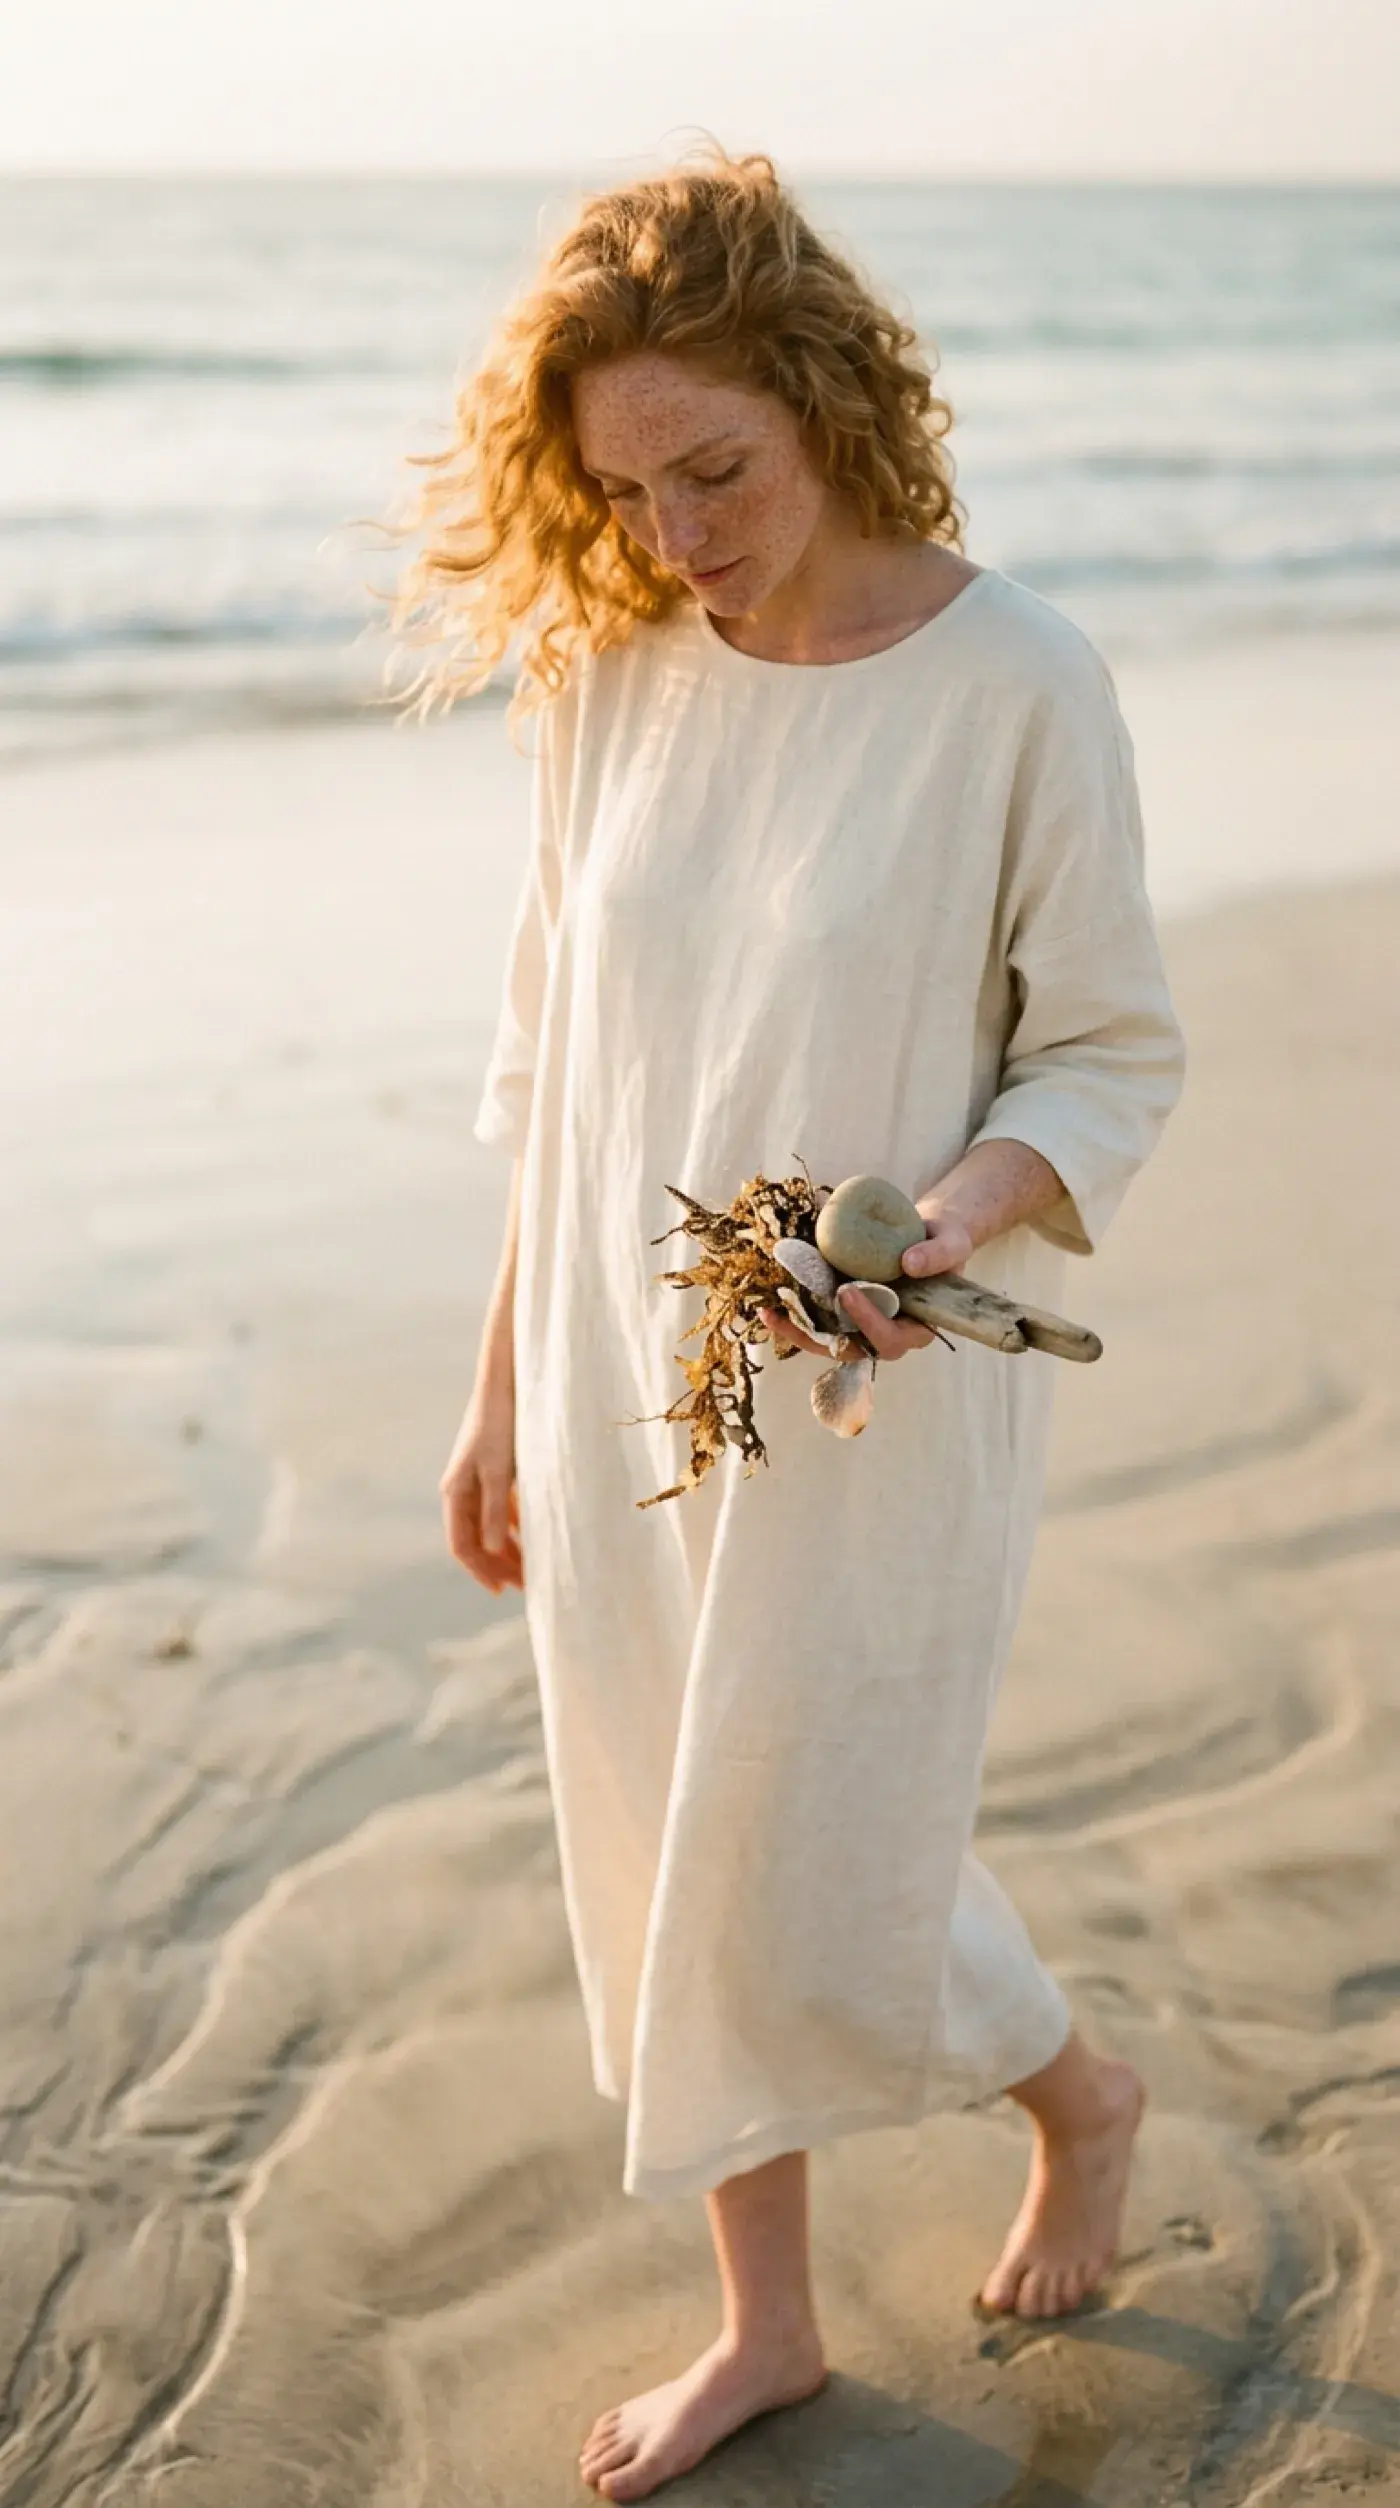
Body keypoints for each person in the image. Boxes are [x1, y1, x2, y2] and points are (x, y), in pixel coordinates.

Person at [402, 147, 1186, 2503]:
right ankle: (764, 2319)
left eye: (715, 471)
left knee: (817, 1829)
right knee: (670, 1834)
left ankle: (1076, 2095)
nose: (675, 534)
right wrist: (498, 1390)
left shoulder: (1016, 682)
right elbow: (549, 1063)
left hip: (871, 1387)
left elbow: (1106, 1055)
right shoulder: (604, 677)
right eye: (627, 491)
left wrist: (948, 1226)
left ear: (828, 399)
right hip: (612, 1373)